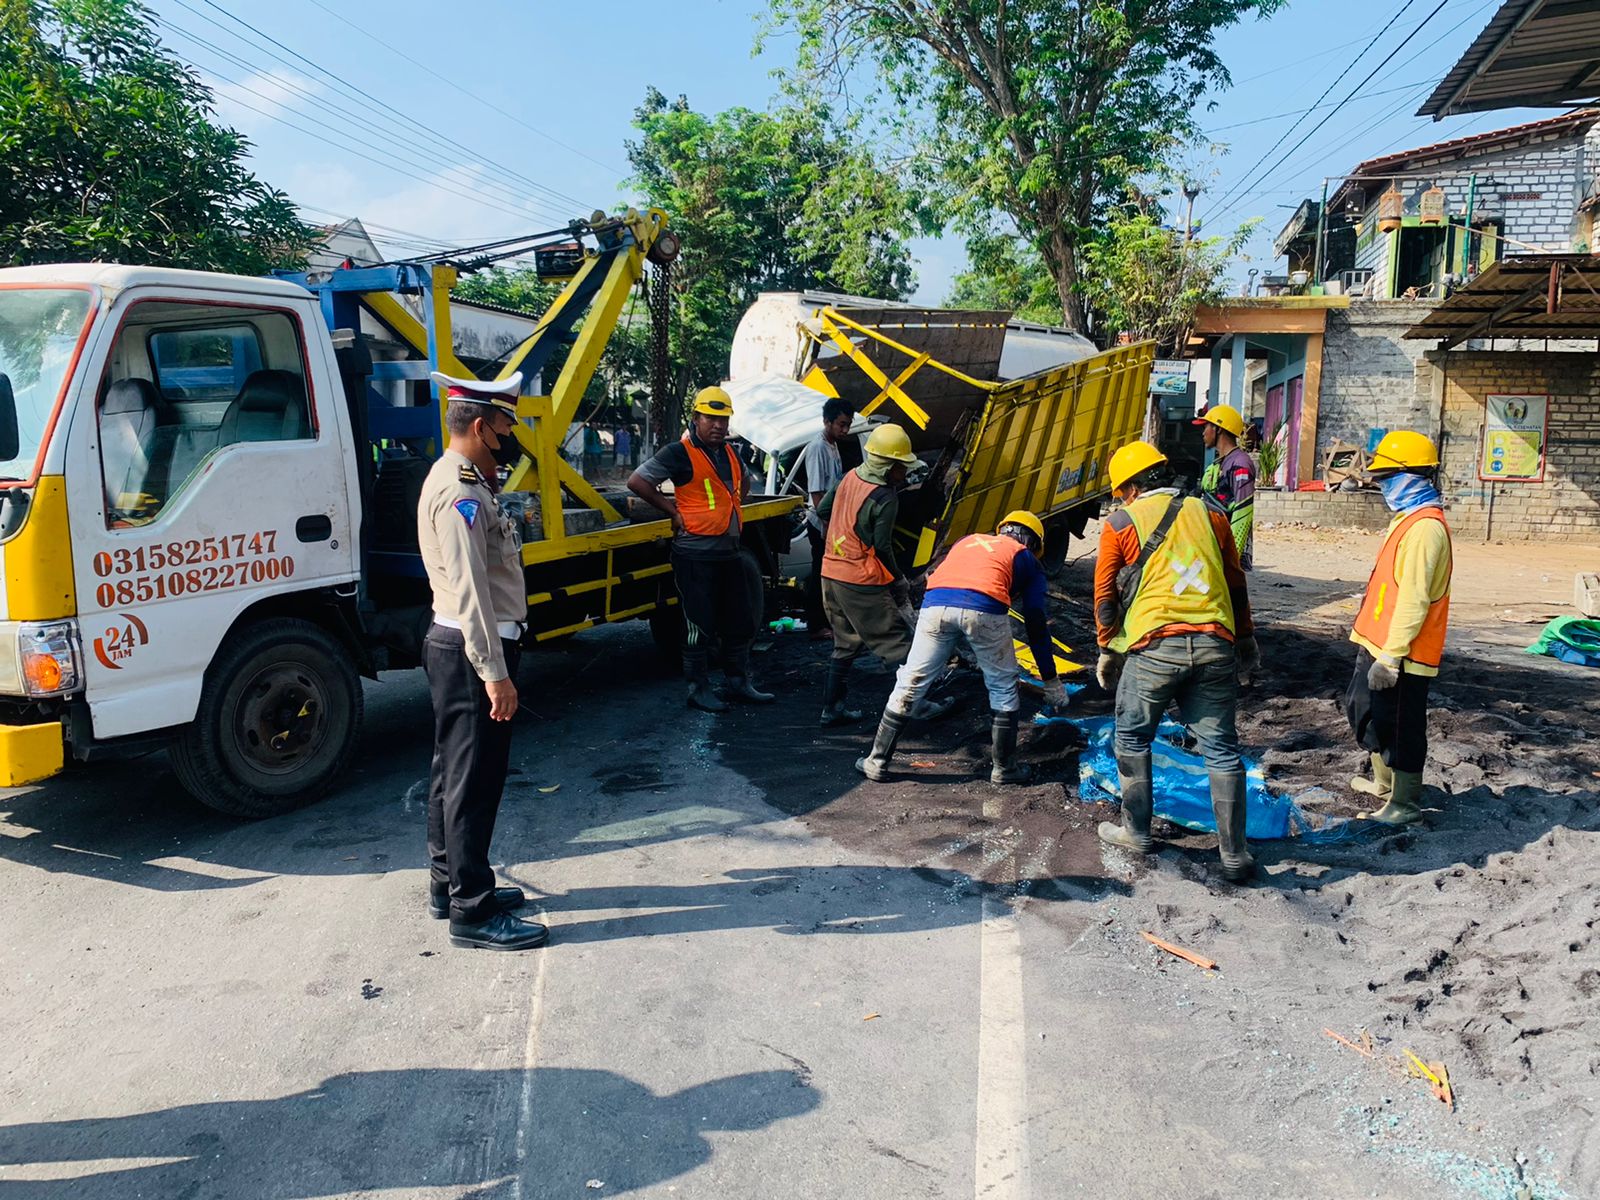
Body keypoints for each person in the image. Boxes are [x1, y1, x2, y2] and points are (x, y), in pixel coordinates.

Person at [418, 371, 547, 951]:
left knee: (452, 771)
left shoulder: (456, 477)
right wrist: (495, 673)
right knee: (473, 780)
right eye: (504, 426)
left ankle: (449, 884)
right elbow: (471, 591)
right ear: (479, 426)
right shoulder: (462, 494)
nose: (510, 438)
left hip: (458, 643)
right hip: (474, 647)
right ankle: (471, 910)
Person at [1092, 440, 1260, 882]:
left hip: (1154, 647)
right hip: (1215, 643)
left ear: (1131, 487)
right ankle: (1234, 854)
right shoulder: (1212, 514)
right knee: (1221, 751)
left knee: (1132, 737)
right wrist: (1246, 639)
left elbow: (1105, 594)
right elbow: (1235, 580)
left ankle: (1136, 832)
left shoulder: (1121, 522)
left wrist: (1108, 648)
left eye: (1121, 492)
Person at [856, 511, 1068, 785]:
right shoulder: (1026, 558)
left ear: (1002, 529)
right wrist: (1051, 679)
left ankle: (877, 760)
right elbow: (1036, 620)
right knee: (1003, 686)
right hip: (984, 607)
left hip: (934, 605)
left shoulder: (969, 540)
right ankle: (1004, 768)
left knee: (911, 679)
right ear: (1034, 543)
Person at [629, 387, 774, 712]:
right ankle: (698, 689)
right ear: (696, 418)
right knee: (698, 625)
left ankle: (738, 682)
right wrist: (672, 511)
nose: (718, 425)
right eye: (711, 418)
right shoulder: (679, 453)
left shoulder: (730, 452)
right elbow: (637, 481)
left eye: (723, 419)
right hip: (695, 555)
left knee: (740, 620)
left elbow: (743, 485)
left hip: (729, 552)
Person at [816, 423, 956, 727]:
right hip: (859, 579)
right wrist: (897, 578)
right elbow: (882, 546)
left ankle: (832, 708)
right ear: (888, 466)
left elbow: (824, 511)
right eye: (901, 467)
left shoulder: (849, 476)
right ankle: (915, 705)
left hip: (830, 572)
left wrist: (845, 531)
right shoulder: (885, 498)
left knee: (845, 644)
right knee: (897, 642)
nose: (904, 474)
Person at [1346, 431, 1452, 825]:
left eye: (1387, 478)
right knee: (1362, 709)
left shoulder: (1426, 529)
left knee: (1400, 726)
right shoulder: (1408, 519)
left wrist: (1391, 658)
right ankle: (1384, 784)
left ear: (1415, 476)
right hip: (1377, 641)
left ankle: (1404, 804)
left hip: (1404, 653)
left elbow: (1414, 598)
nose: (1382, 485)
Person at [799, 398, 856, 637]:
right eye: (841, 424)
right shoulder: (817, 448)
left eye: (848, 425)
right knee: (820, 574)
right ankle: (816, 625)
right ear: (827, 422)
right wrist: (828, 524)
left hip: (832, 519)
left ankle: (830, 620)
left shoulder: (833, 445)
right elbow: (816, 493)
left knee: (831, 573)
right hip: (821, 521)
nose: (845, 430)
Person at [1195, 403, 1256, 570]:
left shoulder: (1240, 463)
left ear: (1218, 429)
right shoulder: (1220, 463)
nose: (1203, 433)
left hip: (1226, 550)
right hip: (1213, 545)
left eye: (1206, 427)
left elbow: (1244, 510)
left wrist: (1232, 557)